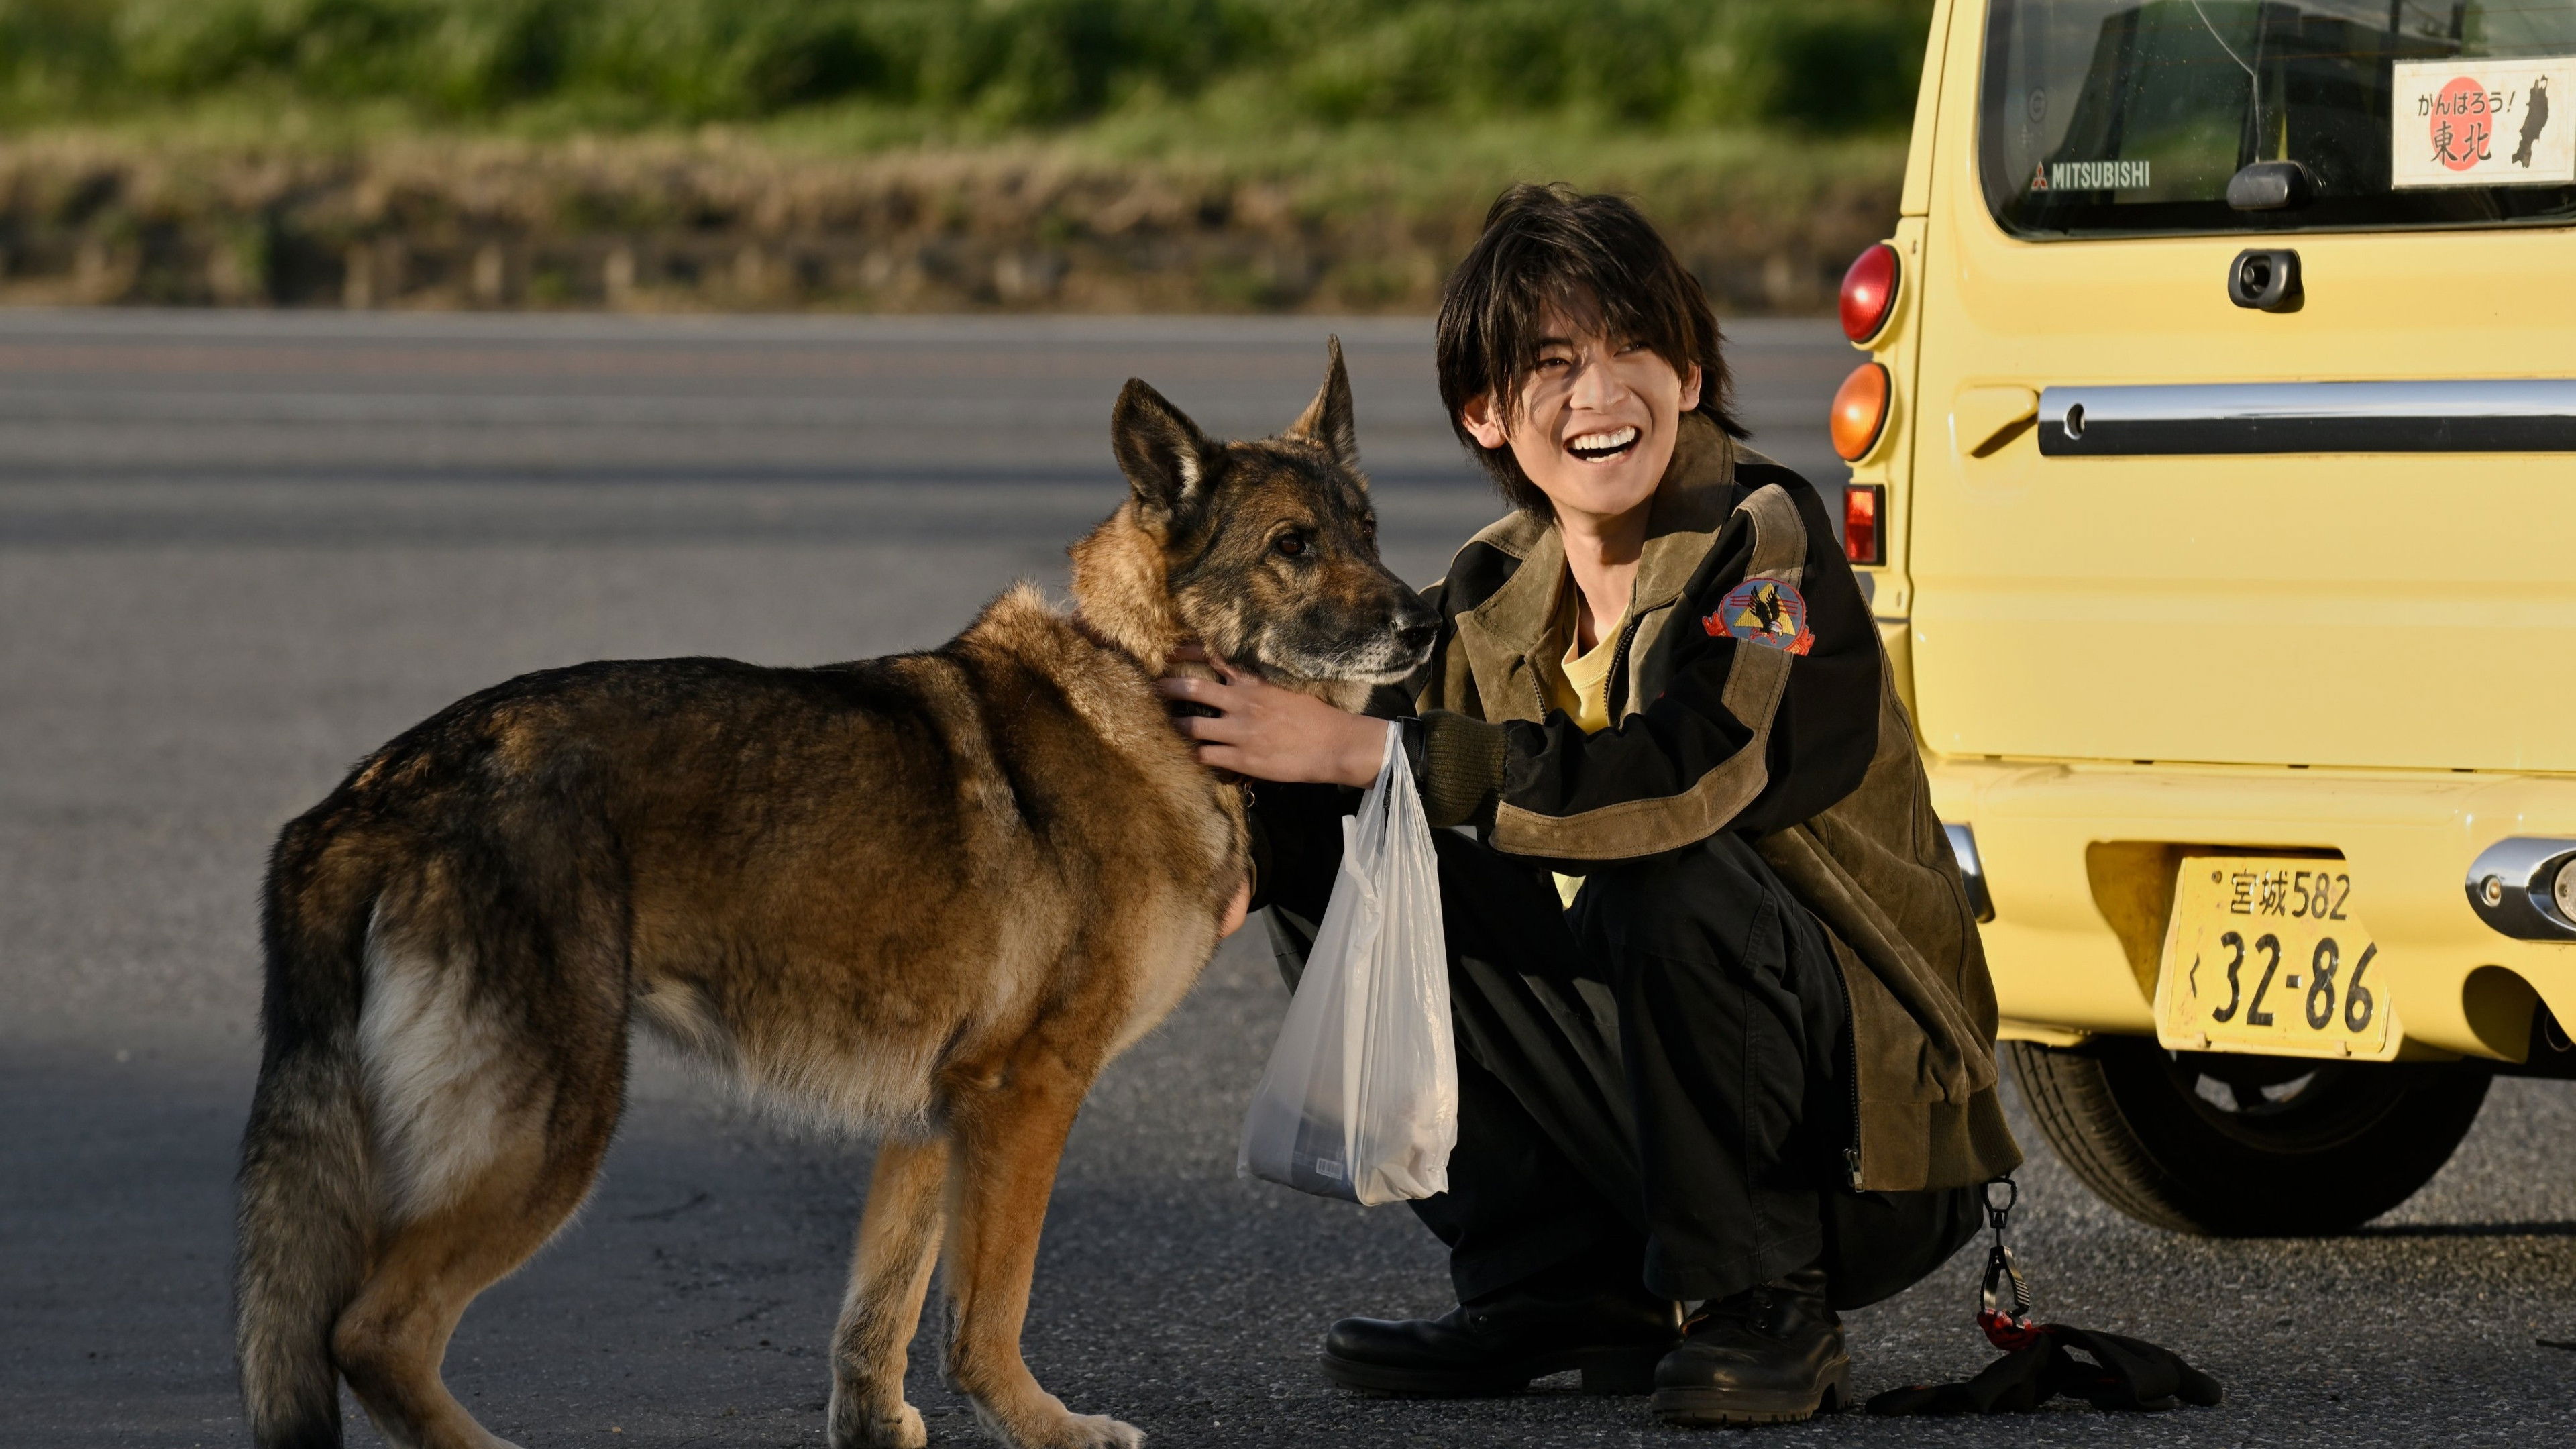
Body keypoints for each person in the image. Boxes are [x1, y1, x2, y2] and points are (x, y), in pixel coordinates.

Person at [1155, 184, 2019, 1428]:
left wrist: (1369, 757)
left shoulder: (1762, 540)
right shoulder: (1493, 582)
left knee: (1658, 866)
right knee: (1336, 834)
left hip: (1862, 1151)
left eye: (1634, 352)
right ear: (1487, 411)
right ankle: (1554, 1284)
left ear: (1690, 369)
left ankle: (1760, 1302)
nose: (1601, 397)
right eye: (1553, 366)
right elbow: (1386, 788)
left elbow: (1686, 777)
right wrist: (1249, 836)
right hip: (1658, 1102)